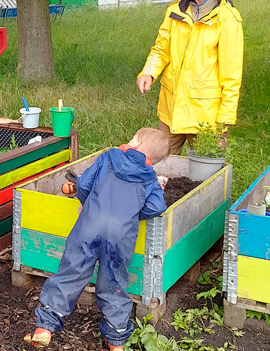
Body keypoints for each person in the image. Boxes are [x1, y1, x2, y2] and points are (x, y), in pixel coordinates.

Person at [24, 128, 170, 350]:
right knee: (114, 282)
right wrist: (131, 214)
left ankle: (45, 327)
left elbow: (83, 184)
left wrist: (87, 202)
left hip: (89, 227)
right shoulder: (149, 179)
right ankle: (116, 340)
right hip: (121, 237)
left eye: (131, 137)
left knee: (72, 271)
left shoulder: (109, 157)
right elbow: (157, 206)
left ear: (137, 143)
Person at [136, 0, 243, 155]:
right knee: (162, 168)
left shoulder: (227, 18)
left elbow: (232, 73)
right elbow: (161, 49)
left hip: (205, 116)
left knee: (206, 173)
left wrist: (225, 117)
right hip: (171, 111)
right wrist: (149, 73)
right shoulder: (174, 11)